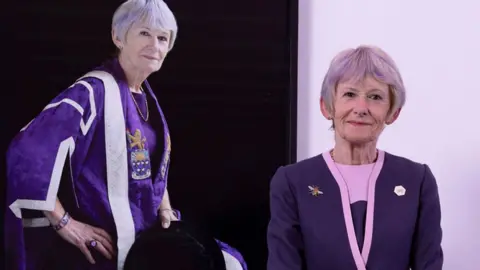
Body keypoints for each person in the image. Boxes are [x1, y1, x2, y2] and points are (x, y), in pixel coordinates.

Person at [4, 1, 247, 270]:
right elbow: (26, 155)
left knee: (229, 262)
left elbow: (149, 168)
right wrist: (64, 222)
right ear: (118, 37)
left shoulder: (144, 97)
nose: (154, 45)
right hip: (106, 243)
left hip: (144, 233)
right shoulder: (91, 93)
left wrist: (165, 208)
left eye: (162, 38)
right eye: (144, 33)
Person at [266, 45, 443, 270]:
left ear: (393, 112)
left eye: (375, 97)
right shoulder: (292, 182)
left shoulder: (417, 180)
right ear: (326, 106)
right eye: (350, 94)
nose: (361, 108)